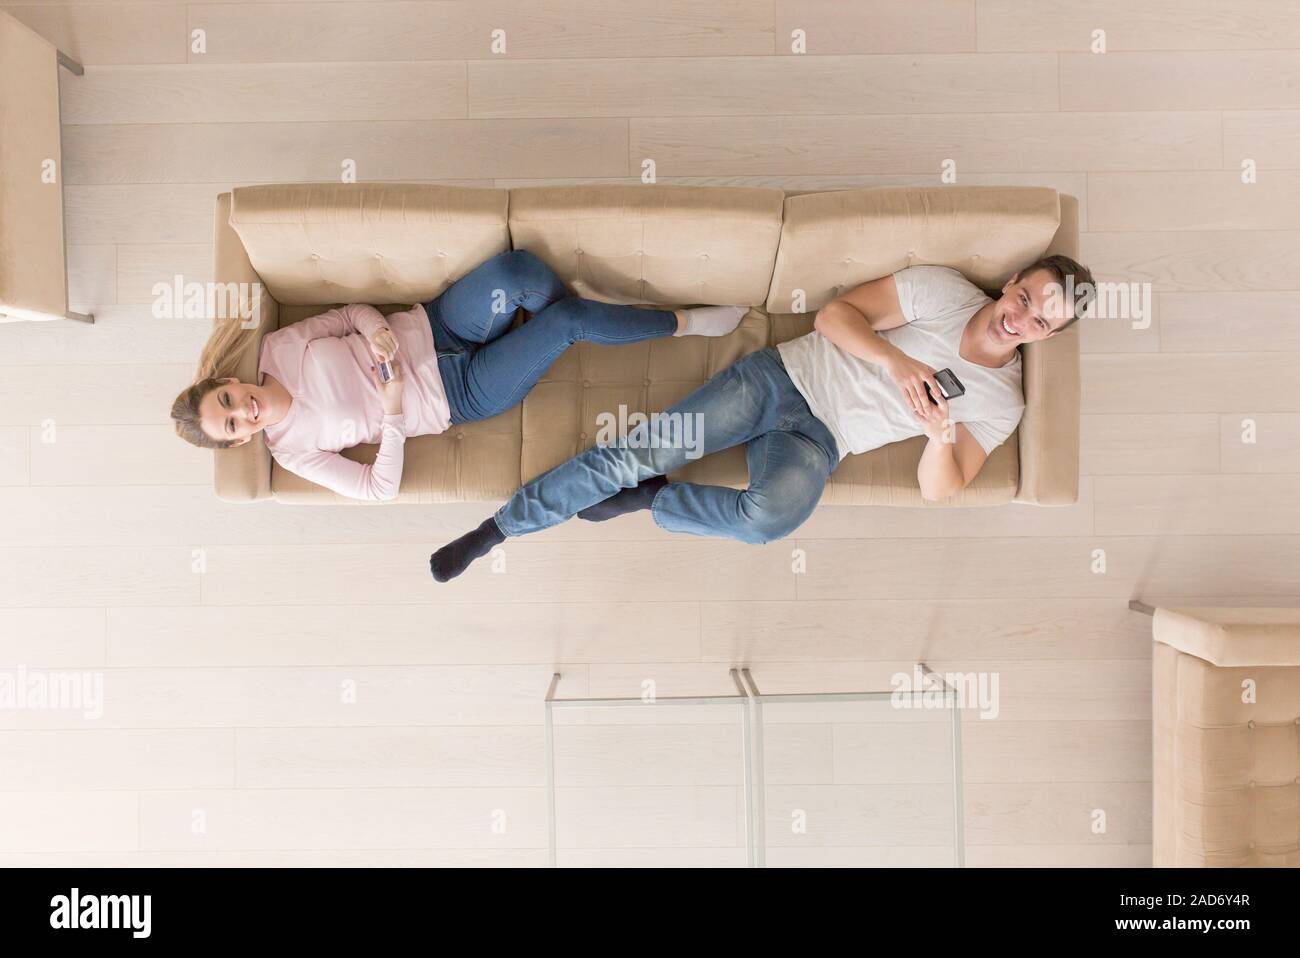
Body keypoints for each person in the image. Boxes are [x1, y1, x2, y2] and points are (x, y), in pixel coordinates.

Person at [429, 255, 1094, 581]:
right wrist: (895, 364)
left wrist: (940, 436)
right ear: (1014, 283)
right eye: (1029, 295)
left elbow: (939, 488)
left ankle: (655, 502)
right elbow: (835, 317)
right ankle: (500, 528)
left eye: (1041, 319)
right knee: (634, 451)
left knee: (769, 520)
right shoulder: (945, 292)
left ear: (1043, 336)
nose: (1022, 315)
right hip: (780, 378)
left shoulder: (1002, 401)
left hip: (822, 439)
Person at [170, 249, 747, 500]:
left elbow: (347, 314)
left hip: (437, 326)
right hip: (460, 392)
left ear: (227, 381)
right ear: (240, 439)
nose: (240, 407)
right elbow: (378, 489)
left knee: (520, 273)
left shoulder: (277, 347)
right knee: (570, 318)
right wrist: (393, 409)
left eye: (225, 398)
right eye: (230, 423)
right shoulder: (292, 451)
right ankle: (684, 323)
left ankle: (563, 322)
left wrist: (374, 330)